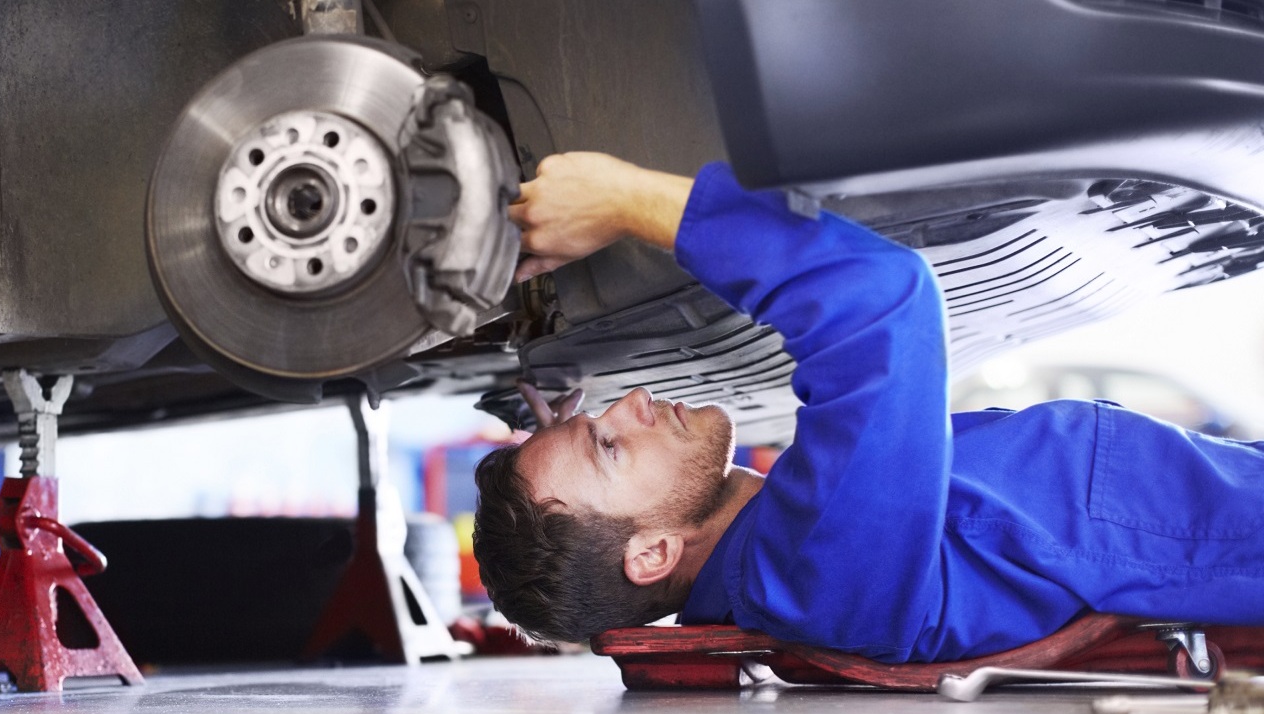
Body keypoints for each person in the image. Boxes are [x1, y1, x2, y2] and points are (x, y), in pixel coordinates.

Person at [474, 152, 1264, 663]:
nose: (635, 400)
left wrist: (567, 445)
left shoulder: (791, 549)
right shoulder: (812, 571)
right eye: (611, 446)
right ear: (650, 557)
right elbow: (879, 301)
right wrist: (624, 198)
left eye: (599, 417)